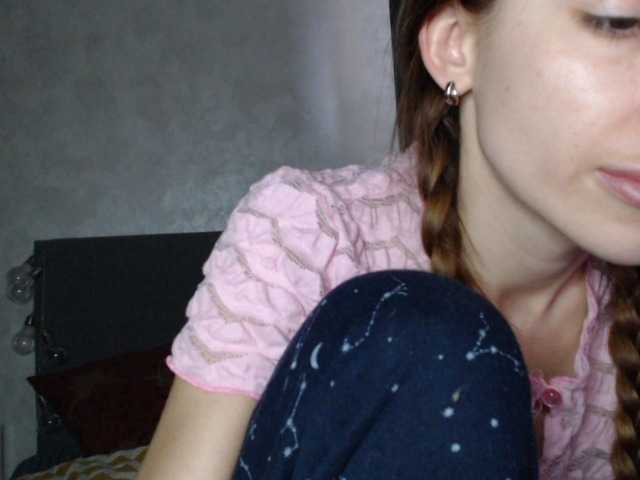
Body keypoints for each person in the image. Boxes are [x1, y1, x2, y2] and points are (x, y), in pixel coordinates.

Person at [136, 0, 640, 478]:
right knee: (428, 336)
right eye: (617, 23)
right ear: (454, 45)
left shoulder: (618, 322)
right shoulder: (312, 236)